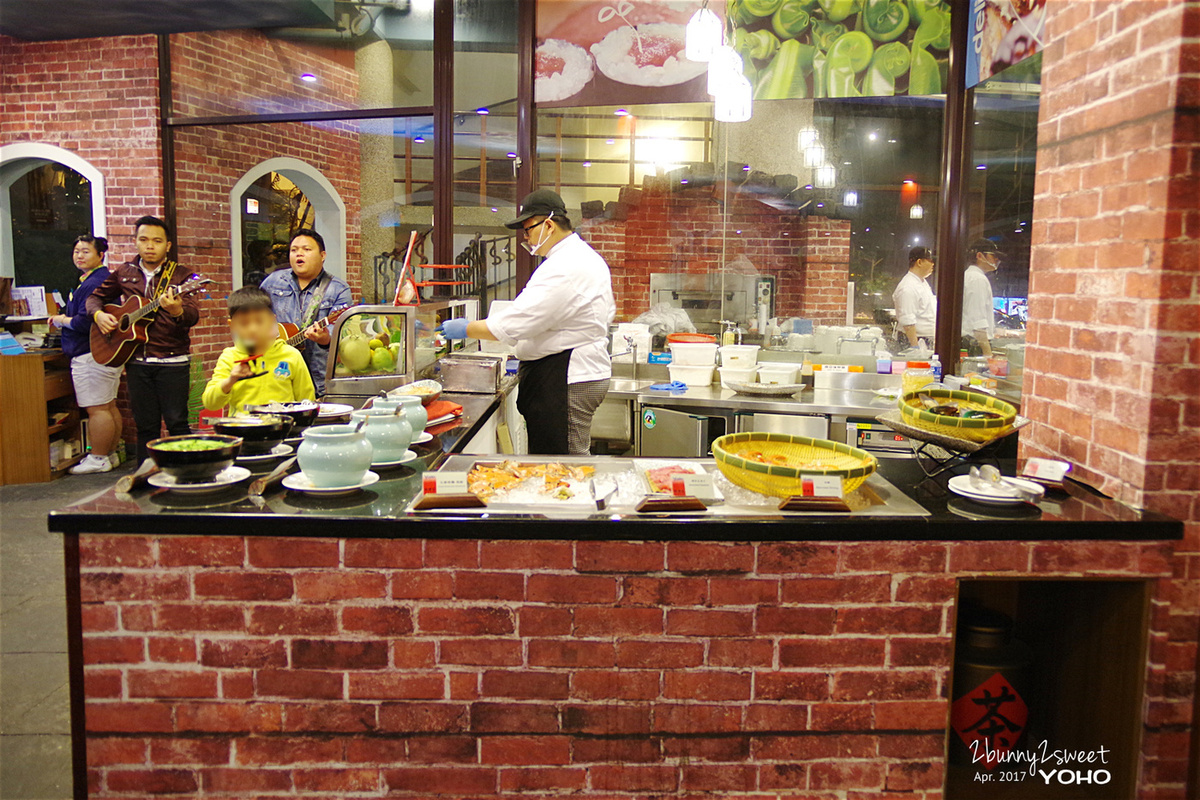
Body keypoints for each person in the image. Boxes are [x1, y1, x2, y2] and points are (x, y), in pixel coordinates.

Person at [440, 189, 616, 456]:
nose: (525, 237)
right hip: (565, 369)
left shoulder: (566, 265)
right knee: (559, 459)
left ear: (548, 224)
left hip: (565, 374)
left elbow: (519, 321)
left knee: (563, 463)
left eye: (527, 229)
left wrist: (466, 328)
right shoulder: (577, 257)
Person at [87, 216, 200, 464]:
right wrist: (99, 315)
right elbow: (94, 298)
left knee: (177, 423)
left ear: (168, 245)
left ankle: (188, 477)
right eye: (144, 240)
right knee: (145, 427)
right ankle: (144, 480)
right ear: (135, 242)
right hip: (136, 360)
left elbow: (192, 316)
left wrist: (177, 311)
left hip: (173, 360)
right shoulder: (124, 272)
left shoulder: (183, 275)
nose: (150, 246)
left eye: (157, 241)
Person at [49, 235, 123, 474]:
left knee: (97, 408)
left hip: (91, 352)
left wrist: (61, 320)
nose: (79, 256)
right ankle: (109, 454)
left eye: (85, 252)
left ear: (101, 255)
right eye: (76, 251)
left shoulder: (95, 282)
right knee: (108, 405)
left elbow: (84, 322)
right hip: (104, 352)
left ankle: (99, 457)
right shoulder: (94, 279)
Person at [260, 229, 352, 397]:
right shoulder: (272, 282)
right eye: (294, 250)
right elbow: (255, 318)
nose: (298, 254)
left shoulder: (338, 289)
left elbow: (343, 335)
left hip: (318, 380)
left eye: (306, 249)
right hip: (277, 378)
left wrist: (325, 339)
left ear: (322, 255)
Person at [202, 286, 316, 413]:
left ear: (272, 320)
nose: (253, 329)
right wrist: (230, 380)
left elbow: (307, 401)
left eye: (260, 321)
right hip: (243, 429)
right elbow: (210, 403)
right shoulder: (229, 357)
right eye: (244, 323)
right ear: (232, 325)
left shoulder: (291, 355)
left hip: (282, 429)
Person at [892, 246, 937, 349]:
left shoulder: (922, 282)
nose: (933, 264)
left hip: (926, 340)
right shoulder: (908, 286)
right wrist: (915, 348)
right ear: (919, 262)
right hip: (913, 340)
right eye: (930, 260)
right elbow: (908, 321)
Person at [962, 238, 1001, 357]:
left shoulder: (970, 276)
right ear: (979, 255)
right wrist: (988, 354)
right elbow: (977, 321)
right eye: (993, 256)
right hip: (973, 345)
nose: (996, 260)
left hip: (970, 342)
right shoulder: (977, 279)